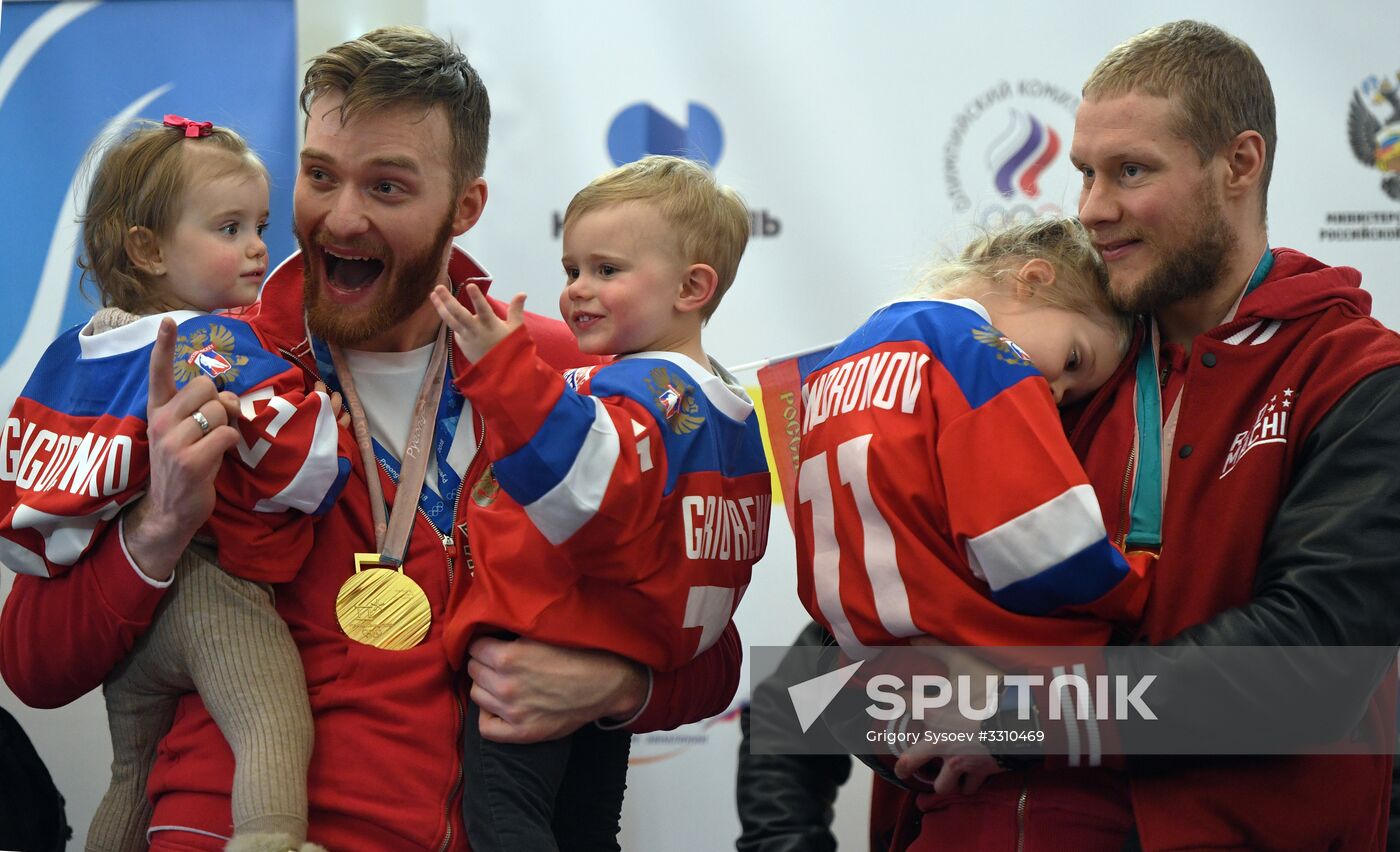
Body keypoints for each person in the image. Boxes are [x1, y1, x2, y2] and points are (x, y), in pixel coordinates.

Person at [0, 26, 741, 850]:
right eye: (321, 176)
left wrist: (620, 685)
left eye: (387, 187)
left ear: (465, 207)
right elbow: (31, 665)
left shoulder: (572, 377)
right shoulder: (206, 359)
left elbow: (712, 646)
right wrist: (158, 528)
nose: (341, 218)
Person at [893, 20, 1400, 852]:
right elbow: (867, 629)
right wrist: (901, 722)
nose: (1092, 208)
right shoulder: (1059, 362)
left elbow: (1313, 665)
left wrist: (1023, 716)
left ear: (1239, 164)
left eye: (1131, 171)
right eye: (1085, 173)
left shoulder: (1354, 376)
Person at [0, 117, 350, 851]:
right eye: (229, 228)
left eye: (259, 225)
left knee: (131, 774)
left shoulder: (77, 352)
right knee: (271, 723)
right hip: (212, 594)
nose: (257, 247)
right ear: (149, 249)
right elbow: (304, 465)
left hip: (132, 622)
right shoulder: (210, 342)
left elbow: (33, 504)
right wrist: (332, 422)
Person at [429, 153, 769, 852]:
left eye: (607, 270)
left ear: (692, 287)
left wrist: (503, 371)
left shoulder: (642, 392)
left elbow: (583, 488)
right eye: (571, 270)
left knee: (506, 831)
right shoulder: (728, 410)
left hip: (537, 647)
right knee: (587, 834)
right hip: (610, 660)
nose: (578, 290)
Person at [793, 215, 1152, 848]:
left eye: (1071, 390)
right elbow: (1042, 549)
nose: (1055, 392)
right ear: (1033, 280)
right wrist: (1141, 584)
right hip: (999, 666)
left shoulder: (834, 364)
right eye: (1073, 360)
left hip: (881, 664)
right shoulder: (982, 354)